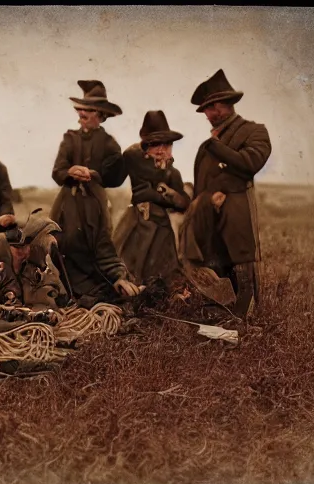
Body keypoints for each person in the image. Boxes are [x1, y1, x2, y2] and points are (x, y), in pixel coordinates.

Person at [183, 69, 272, 318]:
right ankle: (224, 311)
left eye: (218, 106)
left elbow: (250, 163)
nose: (213, 113)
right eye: (208, 109)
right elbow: (201, 183)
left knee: (242, 262)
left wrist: (216, 146)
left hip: (236, 210)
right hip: (209, 216)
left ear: (231, 104)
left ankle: (247, 316)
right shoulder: (206, 145)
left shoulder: (254, 131)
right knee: (215, 260)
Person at [48, 79, 140, 307]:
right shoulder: (70, 138)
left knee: (97, 242)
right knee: (62, 242)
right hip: (68, 201)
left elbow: (114, 178)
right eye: (79, 109)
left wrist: (94, 174)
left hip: (94, 202)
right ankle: (66, 292)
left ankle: (103, 286)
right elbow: (57, 171)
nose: (80, 114)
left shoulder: (109, 144)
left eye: (86, 110)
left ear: (99, 114)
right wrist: (70, 171)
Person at [112, 111, 191, 286]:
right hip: (135, 223)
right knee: (127, 262)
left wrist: (170, 194)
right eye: (155, 144)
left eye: (166, 145)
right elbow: (121, 182)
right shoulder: (133, 158)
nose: (161, 149)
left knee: (161, 272)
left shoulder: (173, 173)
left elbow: (184, 203)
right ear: (145, 146)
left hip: (160, 227)